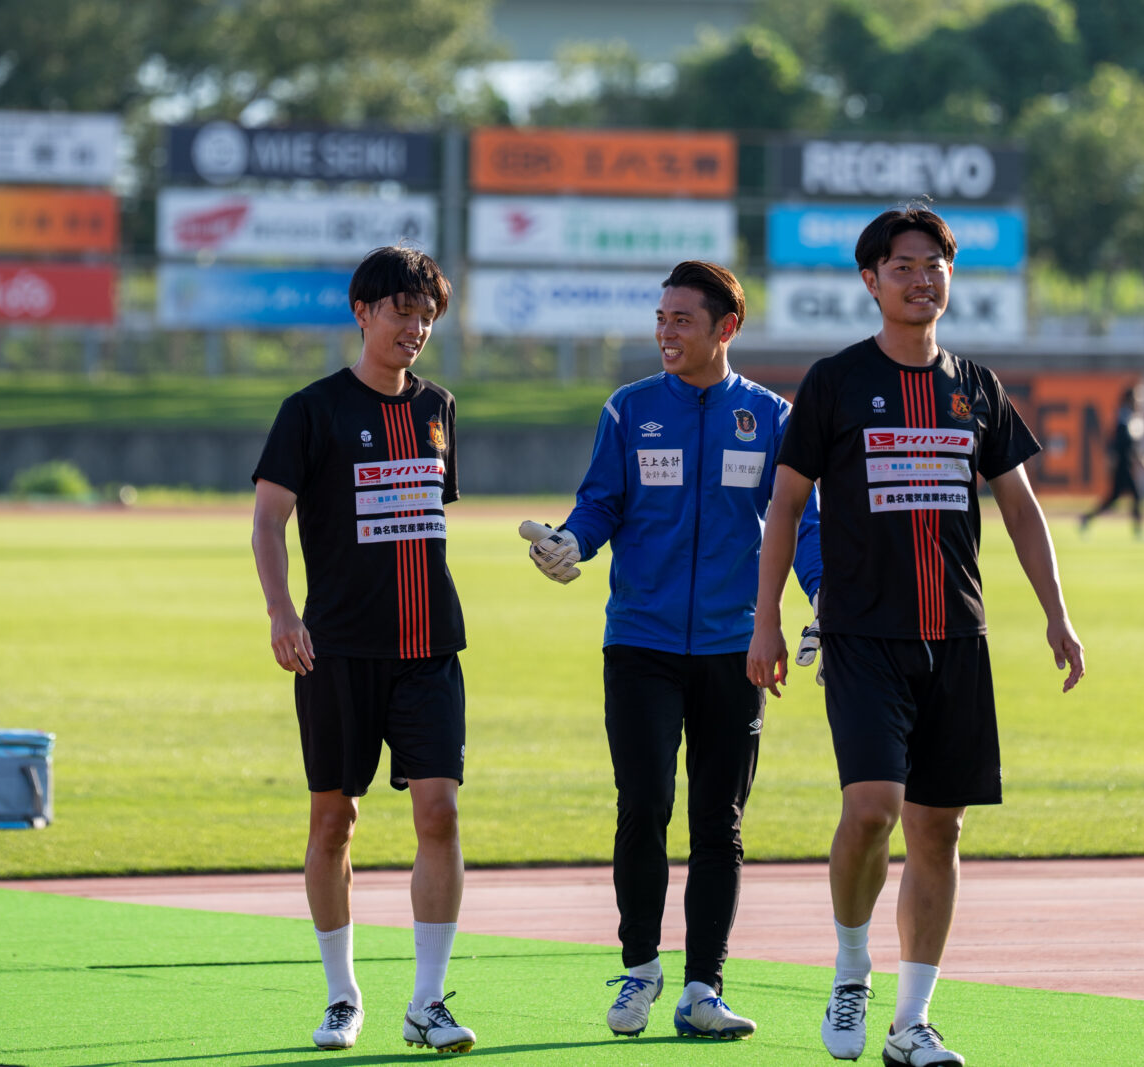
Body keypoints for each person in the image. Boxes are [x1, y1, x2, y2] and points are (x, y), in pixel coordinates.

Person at [745, 207, 1086, 1067]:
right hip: (862, 635)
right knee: (872, 811)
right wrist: (767, 618)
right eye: (903, 266)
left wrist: (1057, 612)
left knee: (940, 830)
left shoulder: (976, 386)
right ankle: (850, 969)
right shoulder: (834, 381)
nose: (921, 279)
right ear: (871, 280)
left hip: (957, 638)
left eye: (935, 264)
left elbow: (1020, 507)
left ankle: (912, 1020)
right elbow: (785, 505)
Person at [519, 260, 823, 1042]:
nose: (666, 332)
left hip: (734, 648)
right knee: (644, 804)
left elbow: (802, 522)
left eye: (682, 319)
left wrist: (825, 598)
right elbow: (601, 502)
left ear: (727, 327)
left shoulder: (772, 418)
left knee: (719, 821)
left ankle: (702, 988)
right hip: (640, 643)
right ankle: (641, 967)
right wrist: (571, 542)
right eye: (661, 318)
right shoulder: (628, 409)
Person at [250, 246, 476, 1054]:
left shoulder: (439, 407)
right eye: (401, 311)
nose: (415, 327)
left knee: (440, 811)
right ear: (363, 312)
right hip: (337, 650)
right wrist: (283, 612)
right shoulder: (310, 411)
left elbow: (425, 518)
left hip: (430, 647)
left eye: (427, 315)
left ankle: (428, 1001)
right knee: (334, 818)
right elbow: (267, 521)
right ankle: (342, 997)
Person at [1079, 383, 1144, 537]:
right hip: (1122, 466)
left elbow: (1129, 444)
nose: (1140, 402)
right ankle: (1139, 531)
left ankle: (1086, 518)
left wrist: (1140, 458)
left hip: (1125, 465)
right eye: (1137, 398)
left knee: (1113, 499)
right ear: (1129, 399)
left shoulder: (1130, 417)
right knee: (1135, 495)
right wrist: (1137, 459)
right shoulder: (1124, 418)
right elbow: (1121, 444)